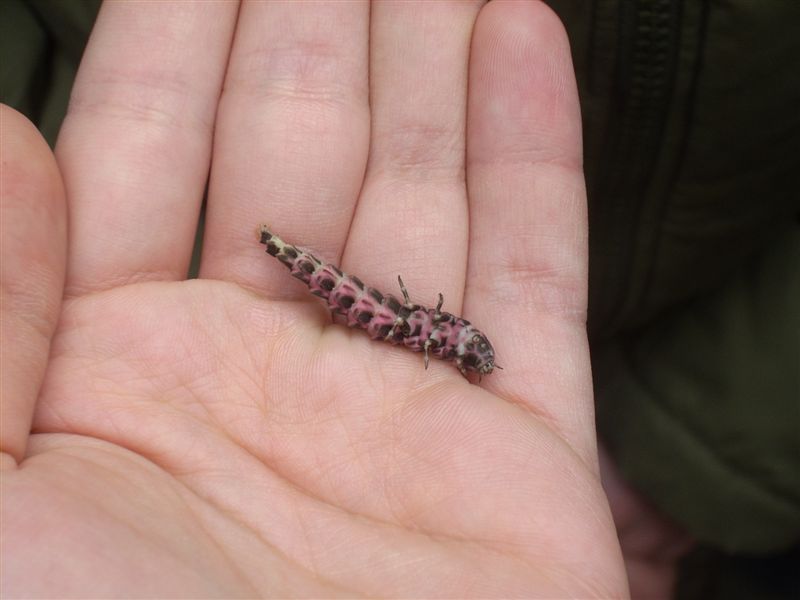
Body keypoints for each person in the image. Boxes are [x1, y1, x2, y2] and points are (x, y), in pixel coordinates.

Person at [2, 1, 628, 597]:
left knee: (351, 295)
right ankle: (280, 248)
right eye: (473, 353)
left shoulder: (422, 332)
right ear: (451, 338)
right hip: (379, 309)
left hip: (386, 312)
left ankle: (283, 249)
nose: (472, 353)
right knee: (342, 289)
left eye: (473, 353)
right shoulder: (417, 331)